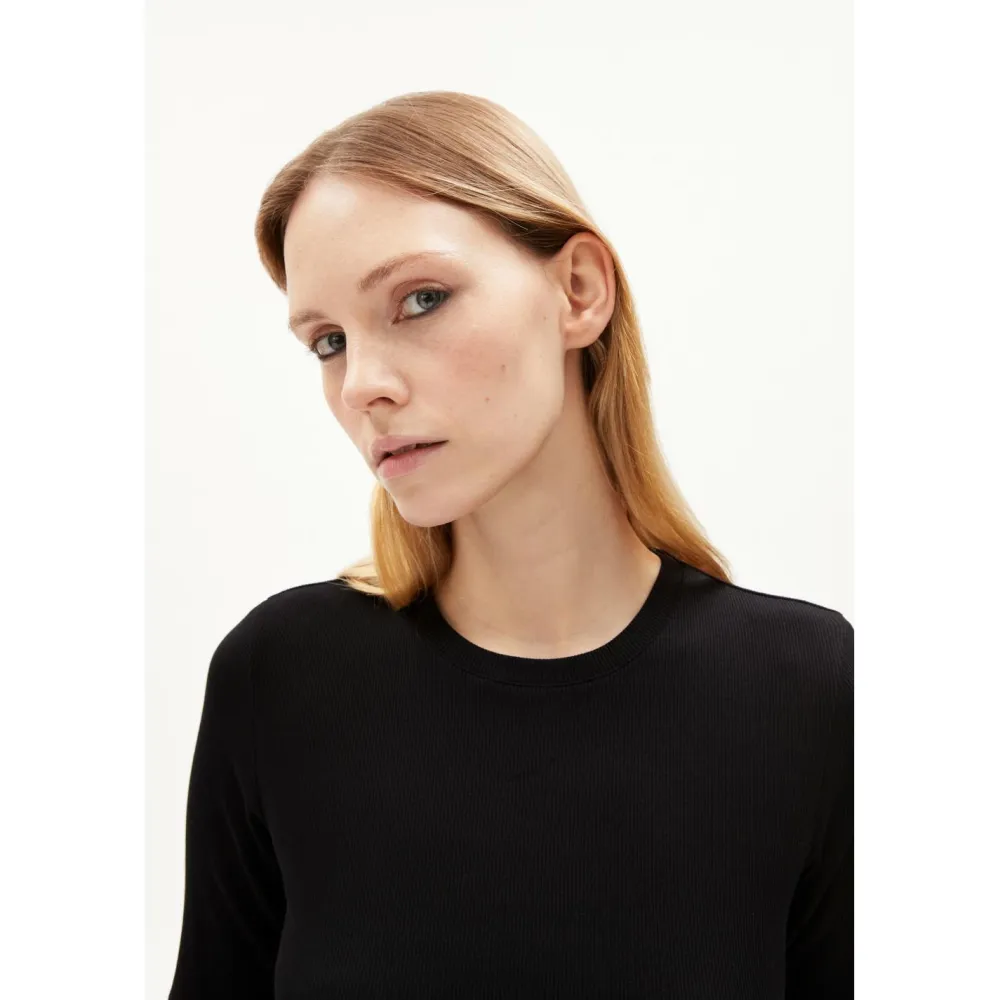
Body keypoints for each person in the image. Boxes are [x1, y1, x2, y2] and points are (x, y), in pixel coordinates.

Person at [167, 91, 853, 998]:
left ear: (579, 292)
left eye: (420, 299)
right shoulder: (280, 679)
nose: (361, 384)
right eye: (327, 342)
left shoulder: (810, 690)